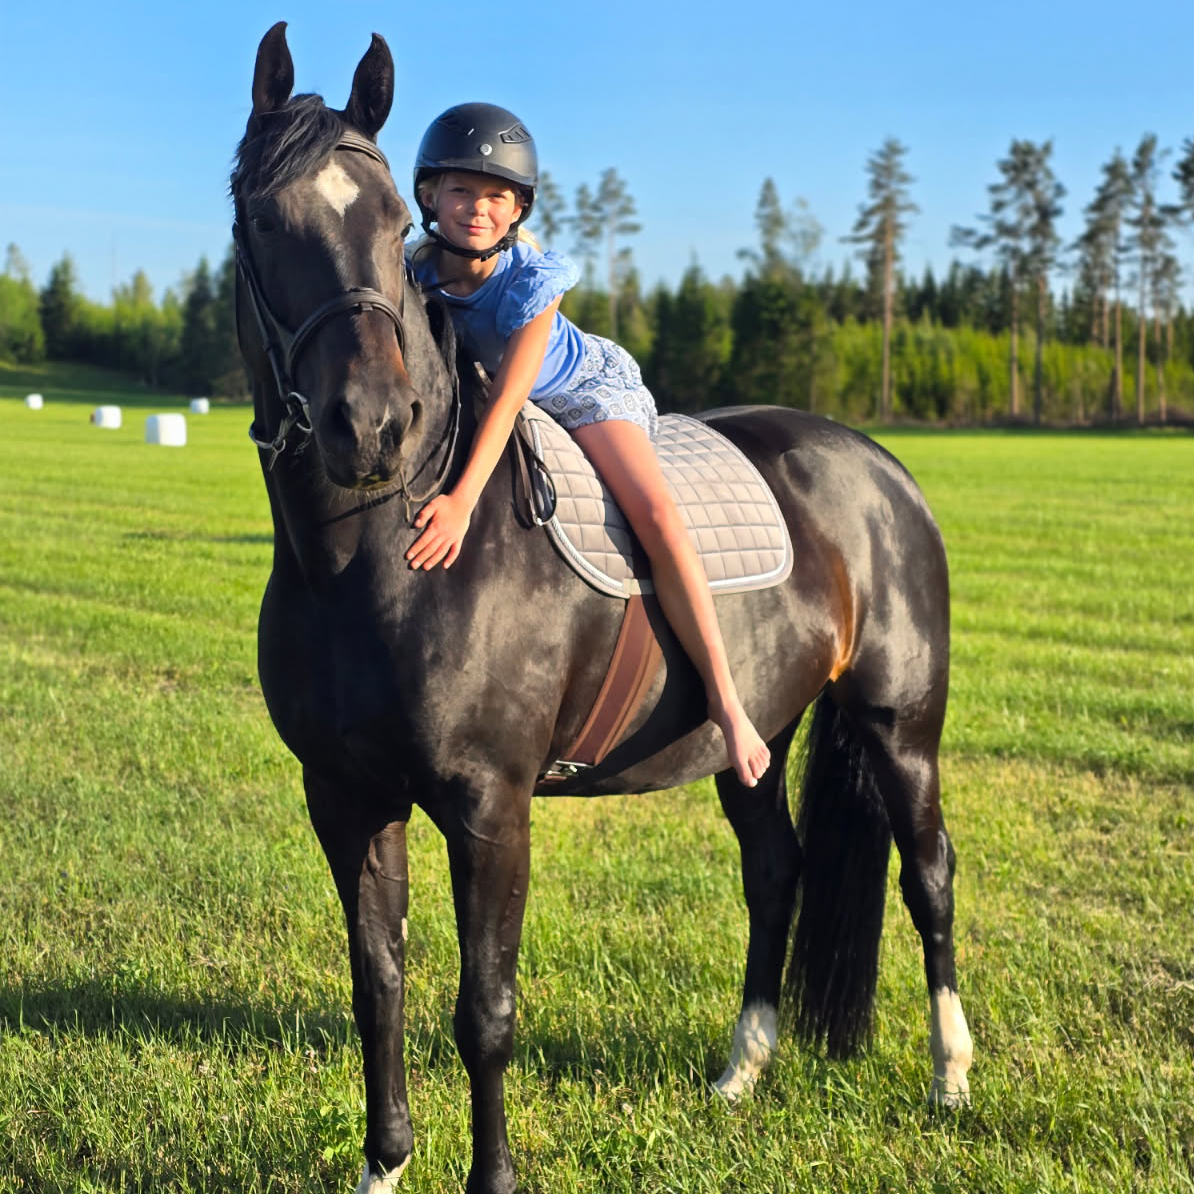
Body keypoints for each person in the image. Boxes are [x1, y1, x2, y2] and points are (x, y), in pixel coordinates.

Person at [405, 102, 770, 789]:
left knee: (656, 515)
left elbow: (514, 394)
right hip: (489, 394)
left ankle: (726, 700)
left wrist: (459, 503)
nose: (476, 209)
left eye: (496, 196)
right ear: (429, 195)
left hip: (581, 389)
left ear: (518, 210)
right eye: (460, 190)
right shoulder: (413, 275)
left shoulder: (532, 282)